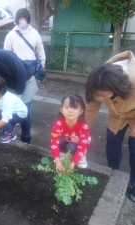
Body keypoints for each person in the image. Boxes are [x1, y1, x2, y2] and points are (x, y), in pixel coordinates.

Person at [85, 50, 135, 201]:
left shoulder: (133, 78)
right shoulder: (97, 82)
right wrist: (82, 129)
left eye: (104, 96)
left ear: (118, 88)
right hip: (116, 114)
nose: (100, 98)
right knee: (112, 142)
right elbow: (90, 108)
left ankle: (134, 181)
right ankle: (113, 172)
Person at [0, 75, 28, 143]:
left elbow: (5, 119)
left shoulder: (7, 100)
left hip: (20, 114)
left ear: (1, 89)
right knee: (0, 116)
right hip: (14, 111)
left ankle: (11, 133)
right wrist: (0, 109)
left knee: (0, 115)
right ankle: (6, 132)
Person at [51, 95, 90, 172]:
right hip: (67, 138)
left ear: (81, 111)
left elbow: (82, 146)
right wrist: (57, 160)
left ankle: (79, 158)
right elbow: (54, 142)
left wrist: (73, 164)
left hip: (79, 142)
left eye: (74, 107)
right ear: (62, 110)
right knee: (60, 141)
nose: (70, 111)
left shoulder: (84, 127)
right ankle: (62, 155)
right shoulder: (59, 124)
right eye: (67, 107)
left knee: (71, 147)